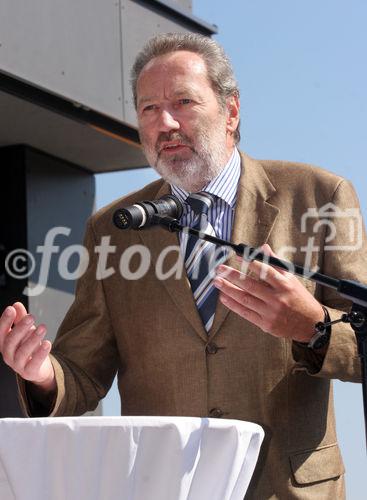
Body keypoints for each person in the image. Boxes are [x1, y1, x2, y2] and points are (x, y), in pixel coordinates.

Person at [0, 32, 366, 499]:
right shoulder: (111, 230)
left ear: (231, 111)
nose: (165, 122)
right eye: (149, 108)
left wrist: (312, 325)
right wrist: (43, 376)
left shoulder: (320, 197)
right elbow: (84, 372)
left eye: (184, 102)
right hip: (165, 487)